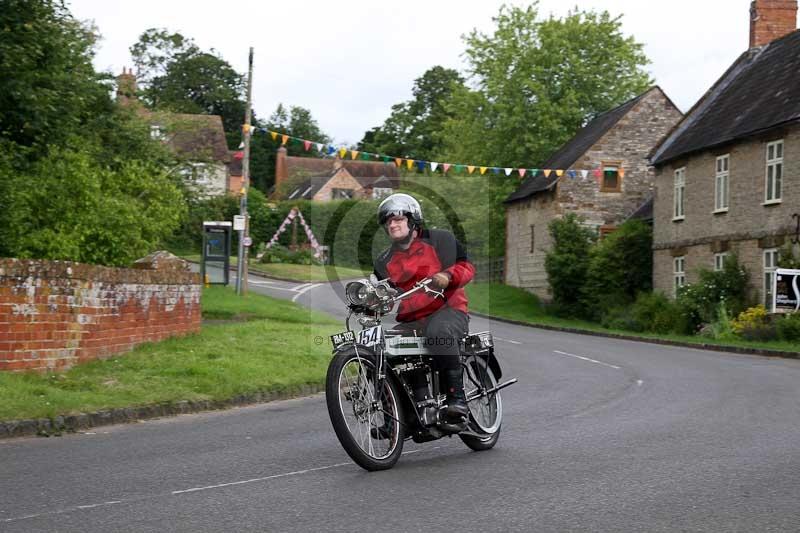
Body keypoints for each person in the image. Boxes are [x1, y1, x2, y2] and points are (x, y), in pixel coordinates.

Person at [373, 193, 475, 428]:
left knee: (438, 332)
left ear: (413, 219)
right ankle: (397, 416)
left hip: (448, 310)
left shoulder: (440, 239)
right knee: (381, 348)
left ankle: (456, 400)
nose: (392, 224)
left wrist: (447, 276)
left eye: (398, 218)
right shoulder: (384, 260)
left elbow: (466, 267)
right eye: (388, 221)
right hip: (412, 320)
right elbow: (384, 292)